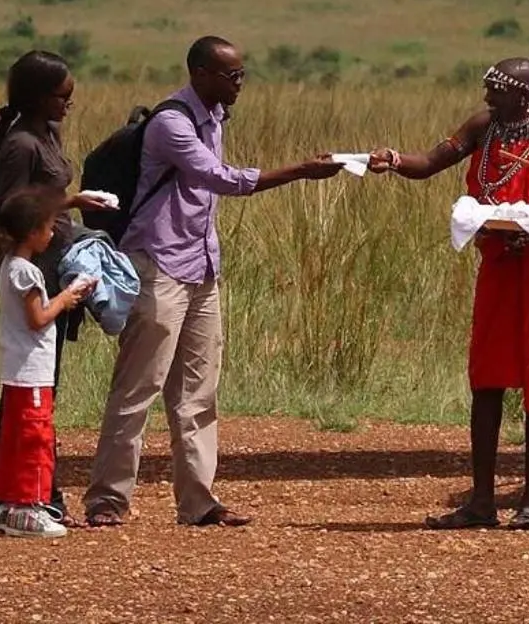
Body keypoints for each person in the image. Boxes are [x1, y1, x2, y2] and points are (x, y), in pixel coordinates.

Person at [83, 35, 339, 529]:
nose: (239, 83)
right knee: (139, 387)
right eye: (230, 75)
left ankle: (199, 503)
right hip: (157, 265)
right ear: (200, 72)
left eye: (242, 73)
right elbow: (219, 178)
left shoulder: (215, 116)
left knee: (198, 393)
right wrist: (301, 171)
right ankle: (107, 499)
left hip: (202, 268)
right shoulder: (171, 123)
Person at [369, 57, 529, 531]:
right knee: (486, 378)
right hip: (498, 270)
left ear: (525, 97)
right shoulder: (484, 128)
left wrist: (525, 231)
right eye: (488, 90)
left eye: (497, 91)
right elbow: (432, 162)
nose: (487, 99)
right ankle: (481, 501)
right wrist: (394, 161)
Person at [0, 50, 112, 520]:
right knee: (32, 388)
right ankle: (28, 494)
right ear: (38, 97)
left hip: (53, 266)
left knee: (44, 385)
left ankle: (38, 487)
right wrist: (70, 201)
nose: (67, 105)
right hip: (34, 273)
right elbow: (13, 209)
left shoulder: (47, 135)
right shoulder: (20, 144)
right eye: (61, 97)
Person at [0, 184, 99, 538]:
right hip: (32, 372)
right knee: (36, 438)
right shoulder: (26, 273)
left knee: (18, 440)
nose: (52, 233)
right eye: (47, 227)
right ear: (32, 233)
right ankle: (31, 505)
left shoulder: (9, 265)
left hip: (18, 370)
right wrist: (67, 297)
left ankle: (12, 504)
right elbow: (39, 318)